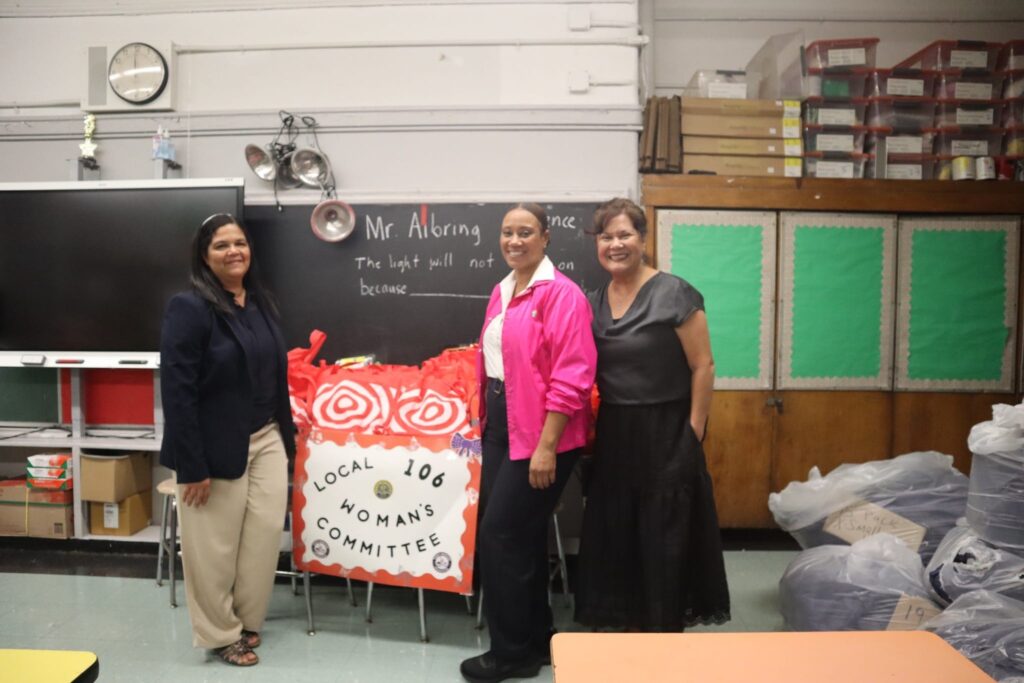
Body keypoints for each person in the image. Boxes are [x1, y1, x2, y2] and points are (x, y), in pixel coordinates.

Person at [574, 197, 730, 631]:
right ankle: (623, 627)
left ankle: (662, 632)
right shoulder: (592, 301)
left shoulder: (675, 293)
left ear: (643, 239)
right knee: (617, 531)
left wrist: (694, 429)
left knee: (664, 535)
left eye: (625, 235)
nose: (615, 245)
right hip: (616, 431)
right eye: (606, 237)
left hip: (668, 430)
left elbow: (703, 365)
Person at [460, 203, 597, 683]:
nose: (514, 241)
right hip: (502, 425)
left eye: (525, 232)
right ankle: (537, 639)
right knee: (522, 535)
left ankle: (511, 654)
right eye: (507, 232)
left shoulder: (562, 294)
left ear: (545, 237)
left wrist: (546, 446)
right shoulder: (503, 290)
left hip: (543, 433)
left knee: (501, 535)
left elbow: (573, 376)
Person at [159, 213, 296, 667]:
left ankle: (247, 620)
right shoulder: (189, 308)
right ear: (204, 256)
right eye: (221, 245)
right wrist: (192, 465)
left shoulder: (259, 302)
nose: (234, 251)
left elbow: (272, 374)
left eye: (240, 243)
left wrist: (287, 436)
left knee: (262, 538)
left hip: (267, 437)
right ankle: (220, 634)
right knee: (213, 547)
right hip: (213, 445)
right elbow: (177, 391)